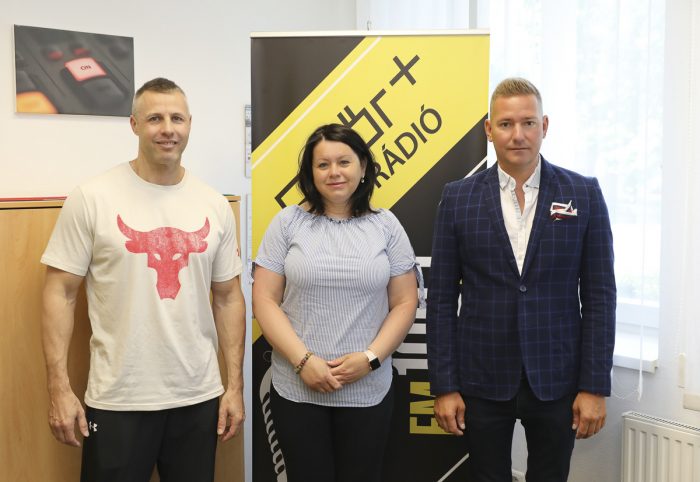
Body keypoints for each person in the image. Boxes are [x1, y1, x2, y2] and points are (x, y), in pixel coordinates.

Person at [40, 77, 246, 482]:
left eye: (176, 118)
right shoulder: (93, 197)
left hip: (197, 395)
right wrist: (58, 388)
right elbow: (59, 293)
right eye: (155, 118)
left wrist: (234, 386)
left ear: (189, 124)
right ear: (134, 124)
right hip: (118, 397)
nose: (167, 129)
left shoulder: (214, 205)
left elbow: (228, 297)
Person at [426, 77, 616, 481]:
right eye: (506, 123)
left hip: (558, 379)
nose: (518, 135)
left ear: (544, 126)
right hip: (480, 379)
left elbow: (600, 297)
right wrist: (444, 386)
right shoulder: (457, 198)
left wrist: (594, 386)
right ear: (489, 129)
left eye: (528, 123)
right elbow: (440, 299)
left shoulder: (583, 193)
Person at [252, 123, 421, 482]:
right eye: (323, 164)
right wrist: (303, 361)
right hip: (297, 388)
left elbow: (405, 302)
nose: (334, 172)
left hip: (368, 390)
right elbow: (264, 300)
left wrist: (370, 359)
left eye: (344, 162)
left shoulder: (386, 226)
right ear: (310, 173)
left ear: (363, 166)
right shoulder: (287, 223)